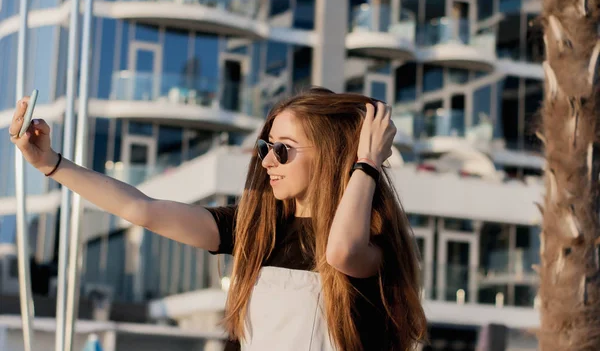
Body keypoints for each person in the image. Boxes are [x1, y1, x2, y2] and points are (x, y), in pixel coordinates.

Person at [9, 87, 427, 350]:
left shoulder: (369, 243)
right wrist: (51, 163)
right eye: (264, 147)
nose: (267, 161)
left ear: (331, 153)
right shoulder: (255, 228)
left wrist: (367, 162)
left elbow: (339, 251)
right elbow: (144, 210)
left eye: (283, 148)